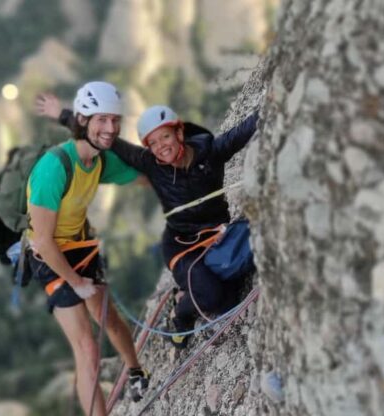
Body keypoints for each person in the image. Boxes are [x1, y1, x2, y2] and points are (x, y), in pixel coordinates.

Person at [36, 93, 259, 349]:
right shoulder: (150, 163)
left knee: (234, 281)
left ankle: (190, 291)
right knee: (220, 298)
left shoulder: (211, 152)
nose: (161, 146)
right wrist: (63, 115)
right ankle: (181, 314)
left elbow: (243, 131)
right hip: (182, 248)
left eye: (165, 136)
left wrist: (275, 100)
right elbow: (109, 141)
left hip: (216, 237)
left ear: (179, 133)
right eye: (152, 143)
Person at [26, 81, 149, 415]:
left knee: (110, 320)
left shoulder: (100, 162)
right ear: (82, 119)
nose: (110, 129)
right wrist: (76, 282)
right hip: (49, 258)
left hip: (80, 246)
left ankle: (137, 372)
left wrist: (181, 177)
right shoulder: (54, 168)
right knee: (87, 350)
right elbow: (43, 241)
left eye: (114, 120)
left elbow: (144, 177)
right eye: (101, 120)